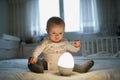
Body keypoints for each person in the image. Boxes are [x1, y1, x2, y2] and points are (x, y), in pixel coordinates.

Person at [28, 16, 94, 73]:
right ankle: (33, 65)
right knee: (39, 63)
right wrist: (34, 56)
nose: (57, 36)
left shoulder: (64, 42)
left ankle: (82, 69)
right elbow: (38, 49)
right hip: (47, 64)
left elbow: (73, 49)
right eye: (54, 33)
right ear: (47, 31)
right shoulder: (46, 42)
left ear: (63, 31)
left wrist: (76, 46)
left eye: (60, 33)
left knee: (73, 66)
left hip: (62, 65)